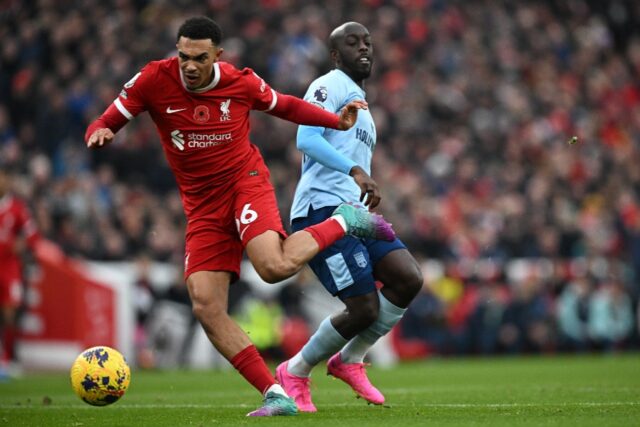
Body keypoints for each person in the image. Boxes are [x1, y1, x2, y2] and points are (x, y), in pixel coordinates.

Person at [84, 16, 395, 417]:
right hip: (201, 207)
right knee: (206, 306)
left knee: (273, 266)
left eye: (198, 57)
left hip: (244, 183)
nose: (189, 66)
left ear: (217, 55)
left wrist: (334, 120)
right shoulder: (153, 79)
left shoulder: (240, 82)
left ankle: (346, 220)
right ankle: (275, 393)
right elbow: (109, 117)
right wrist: (100, 131)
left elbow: (285, 105)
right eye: (182, 57)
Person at [275, 22, 423, 412]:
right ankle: (295, 370)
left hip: (355, 213)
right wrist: (355, 172)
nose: (364, 48)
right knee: (363, 309)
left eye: (368, 42)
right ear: (336, 54)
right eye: (352, 43)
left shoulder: (361, 103)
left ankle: (349, 360)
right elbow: (306, 138)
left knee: (408, 278)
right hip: (321, 211)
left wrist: (360, 180)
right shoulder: (330, 84)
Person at [0, 168, 40, 378]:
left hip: (8, 268)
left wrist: (21, 244)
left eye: (3, 177)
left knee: (9, 314)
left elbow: (32, 234)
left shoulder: (17, 208)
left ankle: (8, 359)